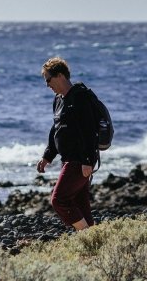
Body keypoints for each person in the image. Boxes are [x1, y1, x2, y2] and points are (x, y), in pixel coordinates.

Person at [37, 57, 98, 231]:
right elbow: (56, 129)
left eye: (49, 79)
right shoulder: (58, 100)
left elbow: (89, 130)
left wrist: (88, 160)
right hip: (68, 160)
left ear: (60, 76)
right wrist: (47, 156)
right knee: (81, 205)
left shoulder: (80, 97)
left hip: (79, 161)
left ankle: (86, 235)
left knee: (59, 200)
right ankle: (93, 245)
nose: (47, 85)